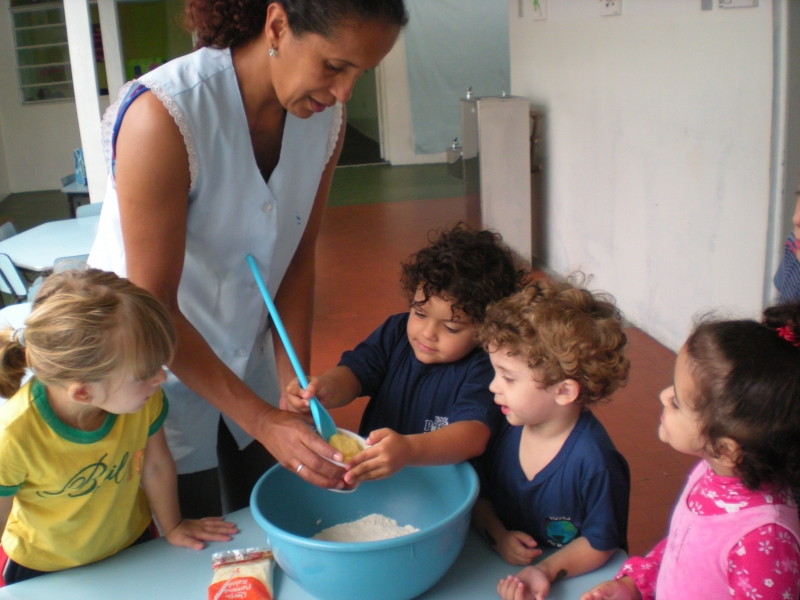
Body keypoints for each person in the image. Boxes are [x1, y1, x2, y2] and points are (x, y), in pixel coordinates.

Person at [87, 0, 408, 517]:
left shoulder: (325, 118)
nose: (345, 92)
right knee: (185, 526)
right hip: (147, 370)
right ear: (277, 25)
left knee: (258, 520)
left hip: (249, 361)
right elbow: (154, 309)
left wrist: (293, 390)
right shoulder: (163, 116)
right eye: (334, 65)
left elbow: (297, 261)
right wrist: (261, 420)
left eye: (361, 73)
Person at [0, 270, 236, 586]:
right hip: (44, 569)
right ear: (83, 393)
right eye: (146, 374)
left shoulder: (142, 401)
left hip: (131, 547)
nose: (161, 379)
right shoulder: (13, 435)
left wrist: (174, 525)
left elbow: (155, 465)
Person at [581, 306, 800, 600]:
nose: (663, 395)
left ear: (725, 449)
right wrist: (634, 584)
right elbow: (683, 545)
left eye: (678, 402)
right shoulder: (713, 472)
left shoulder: (765, 542)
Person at [286, 225, 524, 486]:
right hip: (377, 481)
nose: (427, 333)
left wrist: (407, 450)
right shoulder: (396, 332)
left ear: (486, 328)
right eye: (420, 314)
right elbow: (355, 372)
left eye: (451, 327)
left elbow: (473, 436)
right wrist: (326, 388)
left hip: (443, 488)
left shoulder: (485, 364)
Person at [473, 278, 631, 600]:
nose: (493, 386)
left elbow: (601, 543)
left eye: (508, 377)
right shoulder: (505, 425)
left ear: (564, 391)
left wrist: (545, 570)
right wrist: (499, 536)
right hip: (493, 569)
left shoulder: (596, 462)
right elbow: (479, 496)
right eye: (494, 372)